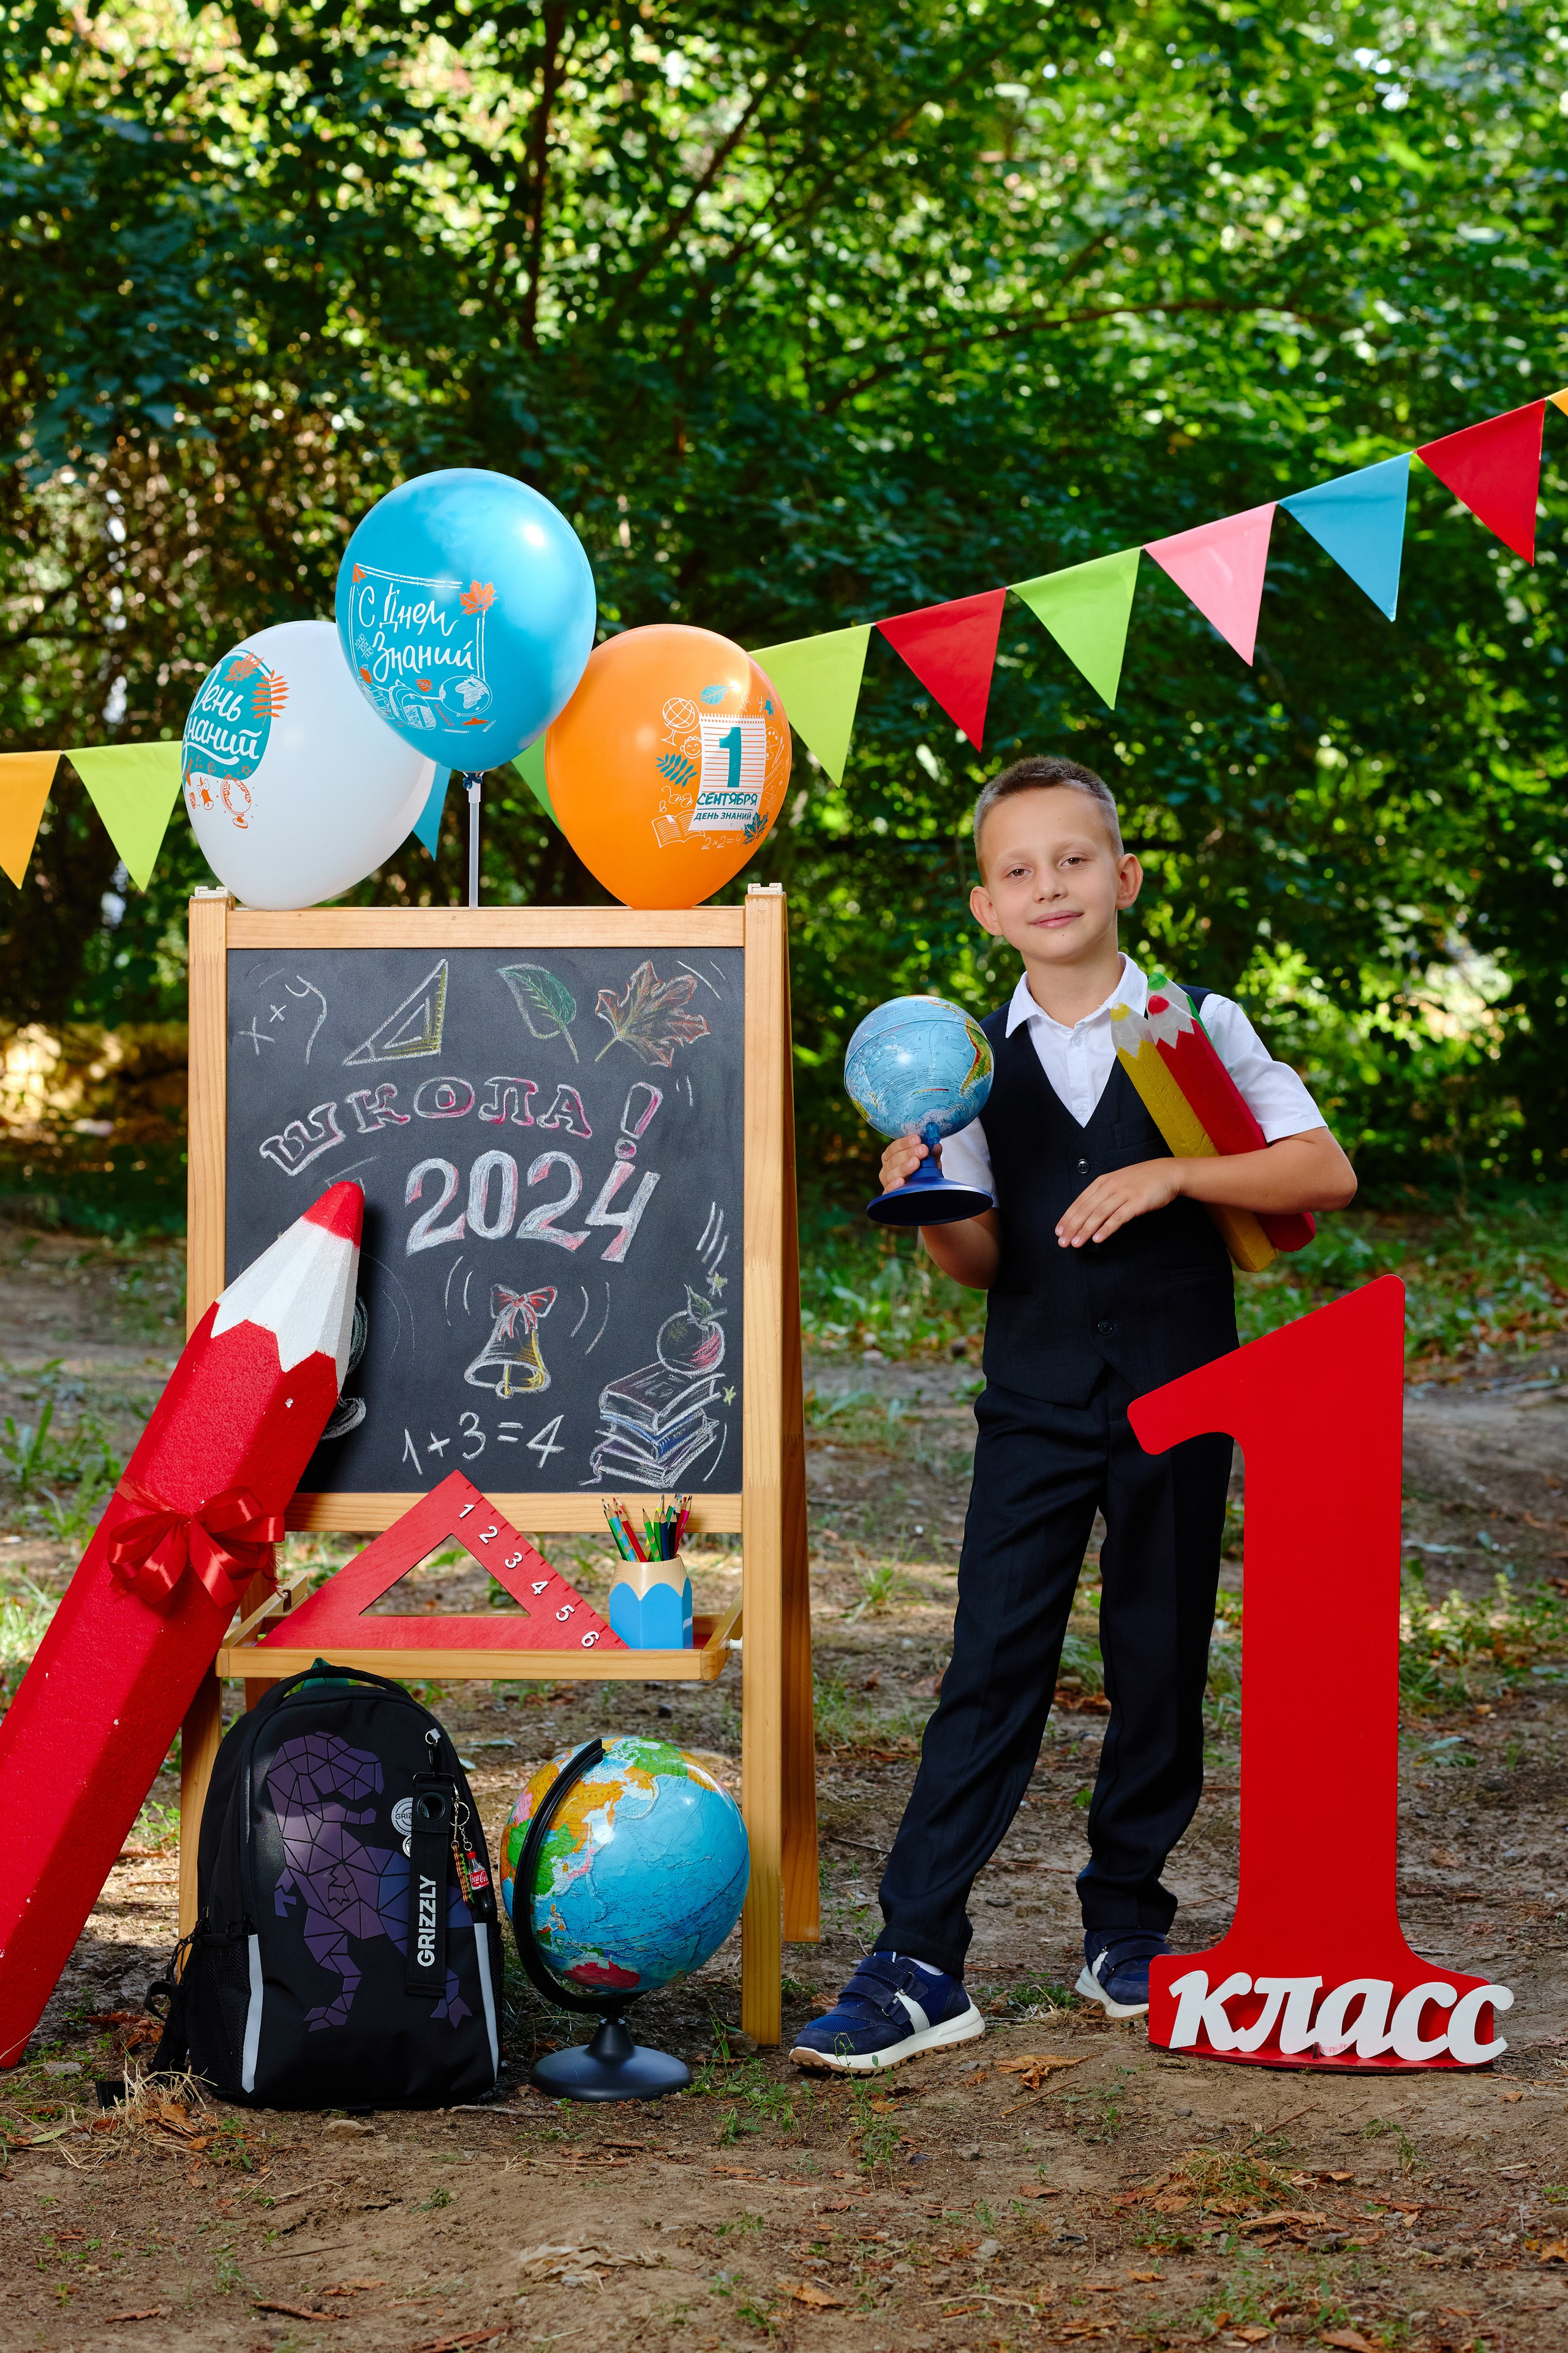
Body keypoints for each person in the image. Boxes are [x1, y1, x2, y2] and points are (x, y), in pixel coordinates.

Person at [791, 754, 1356, 2072]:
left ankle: (1126, 1927)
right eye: (1015, 869)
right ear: (985, 908)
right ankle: (919, 1956)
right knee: (990, 1662)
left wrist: (1170, 1171)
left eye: (1072, 858)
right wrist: (923, 1198)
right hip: (1036, 1404)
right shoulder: (962, 1063)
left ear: (1123, 877)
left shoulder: (1188, 1025)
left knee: (1155, 1656)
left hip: (1179, 1390)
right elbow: (981, 1259)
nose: (1047, 883)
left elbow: (1318, 1168)